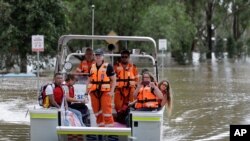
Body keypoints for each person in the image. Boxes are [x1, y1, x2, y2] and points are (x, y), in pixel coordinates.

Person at [87, 48, 116, 127]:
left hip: (105, 92)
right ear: (94, 56)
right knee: (96, 112)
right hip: (94, 92)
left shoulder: (108, 66)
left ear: (103, 56)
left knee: (107, 112)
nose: (98, 56)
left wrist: (112, 91)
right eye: (96, 55)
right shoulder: (91, 67)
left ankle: (110, 131)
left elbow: (114, 80)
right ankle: (101, 128)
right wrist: (86, 92)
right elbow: (89, 80)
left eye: (99, 55)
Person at [114, 50, 139, 124]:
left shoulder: (133, 67)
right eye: (122, 57)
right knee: (118, 106)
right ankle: (120, 118)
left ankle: (129, 119)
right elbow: (111, 79)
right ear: (120, 58)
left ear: (129, 57)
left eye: (126, 57)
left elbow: (137, 80)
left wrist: (131, 83)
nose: (124, 58)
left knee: (131, 104)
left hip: (130, 90)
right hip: (119, 89)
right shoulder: (116, 66)